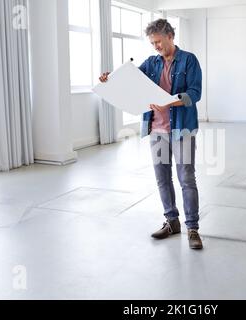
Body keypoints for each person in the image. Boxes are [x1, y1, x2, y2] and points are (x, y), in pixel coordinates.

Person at [99, 19, 203, 249]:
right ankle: (171, 221)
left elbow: (195, 93)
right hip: (156, 129)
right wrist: (110, 78)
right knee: (162, 178)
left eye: (158, 42)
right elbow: (132, 79)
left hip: (182, 128)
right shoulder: (152, 63)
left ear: (169, 36)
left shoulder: (189, 60)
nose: (155, 46)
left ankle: (193, 228)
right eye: (152, 43)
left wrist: (170, 103)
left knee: (186, 178)